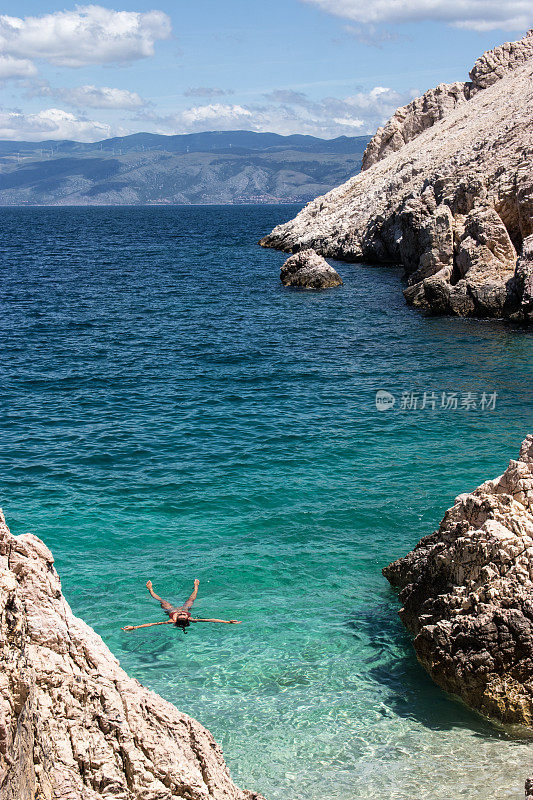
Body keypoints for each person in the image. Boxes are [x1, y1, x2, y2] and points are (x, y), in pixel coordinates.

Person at [145, 579, 240, 632]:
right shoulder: (191, 618)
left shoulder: (171, 620)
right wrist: (227, 622)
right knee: (191, 600)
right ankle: (196, 587)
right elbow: (209, 620)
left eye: (180, 614)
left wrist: (134, 627)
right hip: (186, 608)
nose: (180, 612)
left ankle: (150, 590)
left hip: (171, 610)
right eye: (183, 614)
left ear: (176, 619)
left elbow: (151, 624)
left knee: (163, 601)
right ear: (187, 617)